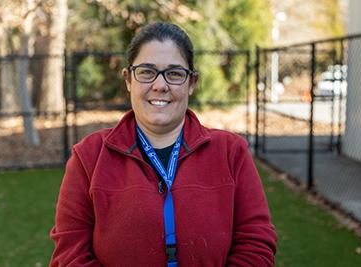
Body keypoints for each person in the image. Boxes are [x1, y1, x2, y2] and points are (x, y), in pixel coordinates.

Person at [50, 22, 277, 267]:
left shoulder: (231, 152)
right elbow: (70, 255)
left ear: (191, 83)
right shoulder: (89, 157)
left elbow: (256, 244)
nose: (160, 85)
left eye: (175, 74)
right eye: (147, 72)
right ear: (128, 80)